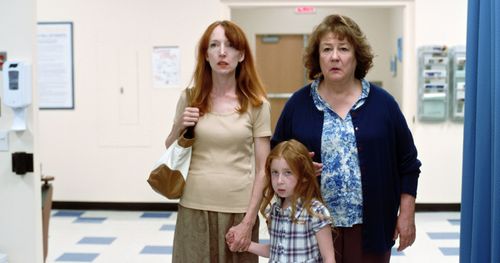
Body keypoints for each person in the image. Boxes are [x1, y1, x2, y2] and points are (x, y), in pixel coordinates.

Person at [271, 14, 422, 263]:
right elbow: (275, 155)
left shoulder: (383, 104)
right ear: (317, 57)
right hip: (310, 226)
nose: (334, 57)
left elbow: (409, 164)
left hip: (371, 228)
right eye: (327, 49)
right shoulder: (298, 104)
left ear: (356, 56)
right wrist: (296, 164)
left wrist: (406, 215)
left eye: (343, 49)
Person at [164, 20, 271, 262]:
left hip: (238, 211)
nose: (222, 52)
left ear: (241, 54)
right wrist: (179, 125)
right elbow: (170, 148)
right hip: (194, 207)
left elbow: (263, 168)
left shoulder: (257, 104)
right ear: (206, 55)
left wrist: (249, 221)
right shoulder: (190, 98)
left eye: (230, 45)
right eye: (214, 45)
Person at [227, 139, 335, 263]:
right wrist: (245, 244)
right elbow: (275, 251)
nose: (279, 181)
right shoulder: (275, 211)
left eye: (288, 173)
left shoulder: (316, 211)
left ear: (304, 176)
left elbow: (329, 258)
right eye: (275, 173)